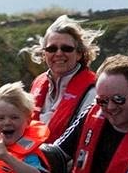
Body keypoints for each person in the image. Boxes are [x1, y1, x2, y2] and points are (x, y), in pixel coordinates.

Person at [21, 15, 102, 143]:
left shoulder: (93, 92)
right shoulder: (38, 83)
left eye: (66, 48)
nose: (59, 53)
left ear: (80, 54)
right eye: (52, 48)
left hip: (64, 160)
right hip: (30, 158)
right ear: (44, 53)